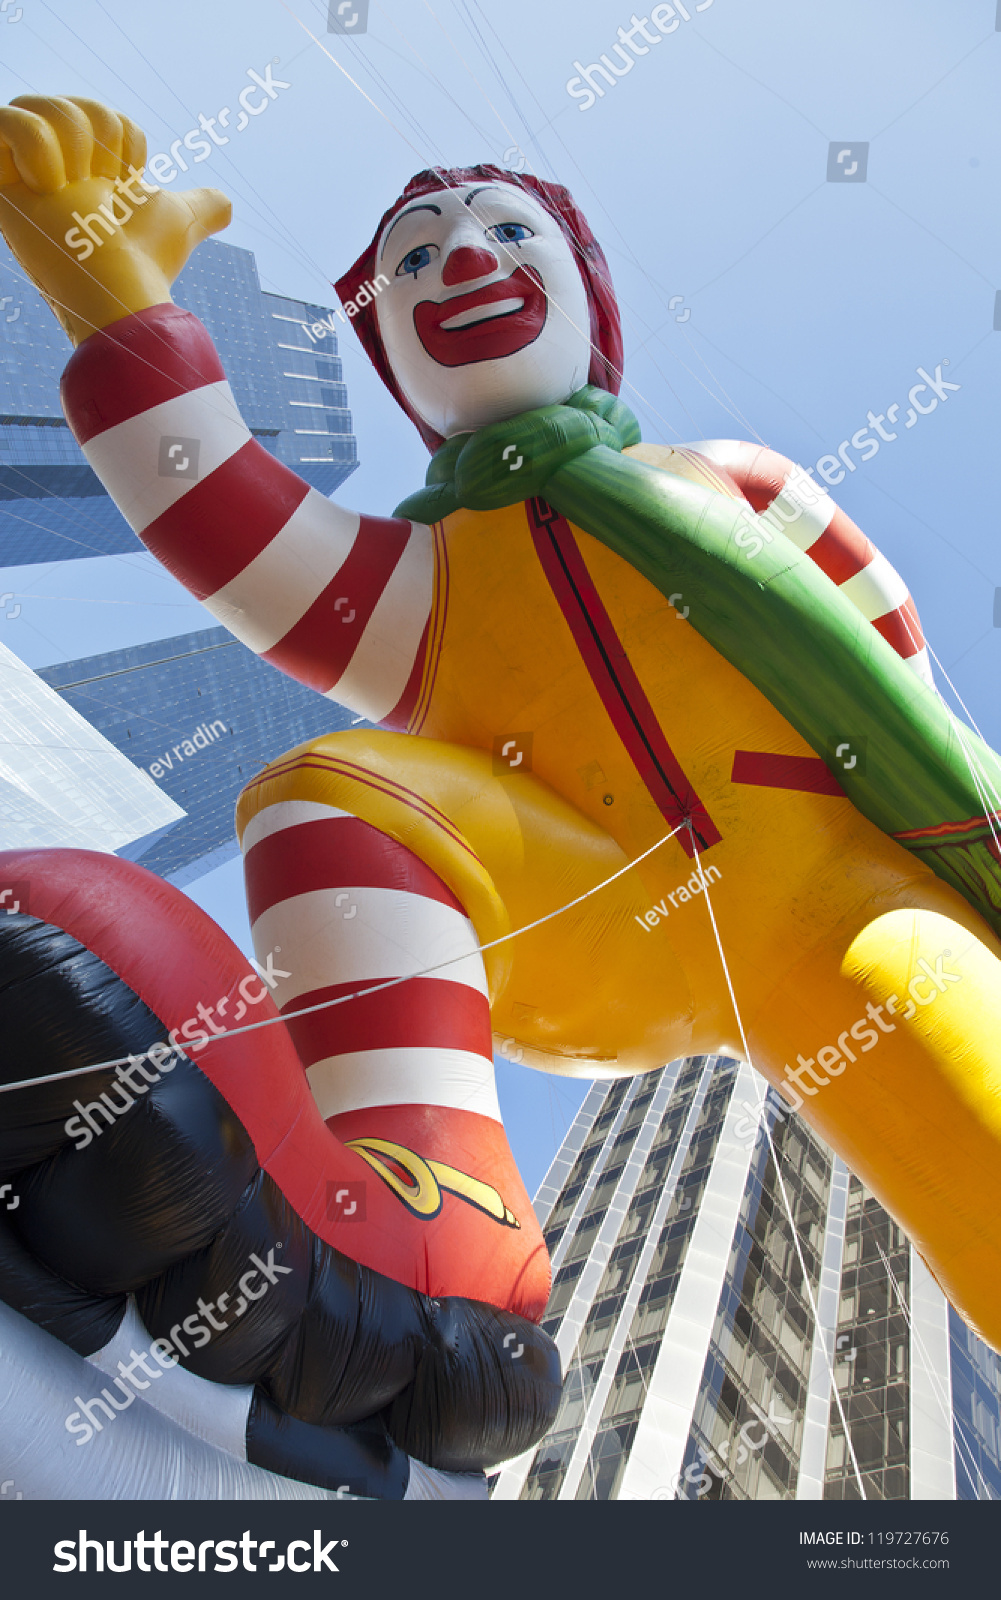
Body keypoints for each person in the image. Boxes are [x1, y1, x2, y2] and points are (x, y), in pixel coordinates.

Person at [3, 94, 1001, 1358]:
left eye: (501, 230)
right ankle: (428, 1249)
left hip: (845, 899)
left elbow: (892, 677)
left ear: (585, 291)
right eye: (413, 256)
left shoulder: (742, 482)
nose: (461, 261)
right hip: (572, 892)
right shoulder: (429, 574)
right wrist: (113, 301)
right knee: (334, 796)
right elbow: (228, 524)